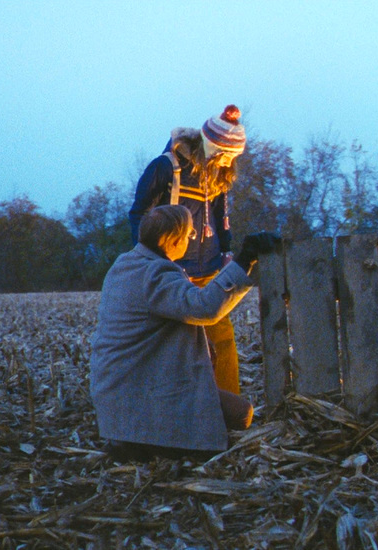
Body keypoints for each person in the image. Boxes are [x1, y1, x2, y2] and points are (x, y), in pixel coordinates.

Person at [91, 205, 280, 461]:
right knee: (241, 414)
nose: (192, 240)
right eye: (190, 234)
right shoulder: (155, 272)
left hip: (122, 397)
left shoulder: (124, 265)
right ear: (172, 239)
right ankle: (149, 443)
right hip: (143, 398)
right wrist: (245, 260)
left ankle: (134, 441)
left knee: (229, 410)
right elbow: (203, 308)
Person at [129, 105, 247, 397]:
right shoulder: (166, 167)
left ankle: (228, 407)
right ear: (208, 144)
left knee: (222, 341)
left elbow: (221, 217)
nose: (225, 160)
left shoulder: (219, 175)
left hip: (208, 271)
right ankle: (167, 405)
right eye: (222, 152)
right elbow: (139, 214)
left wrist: (227, 251)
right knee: (170, 345)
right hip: (171, 273)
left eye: (231, 156)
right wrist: (150, 259)